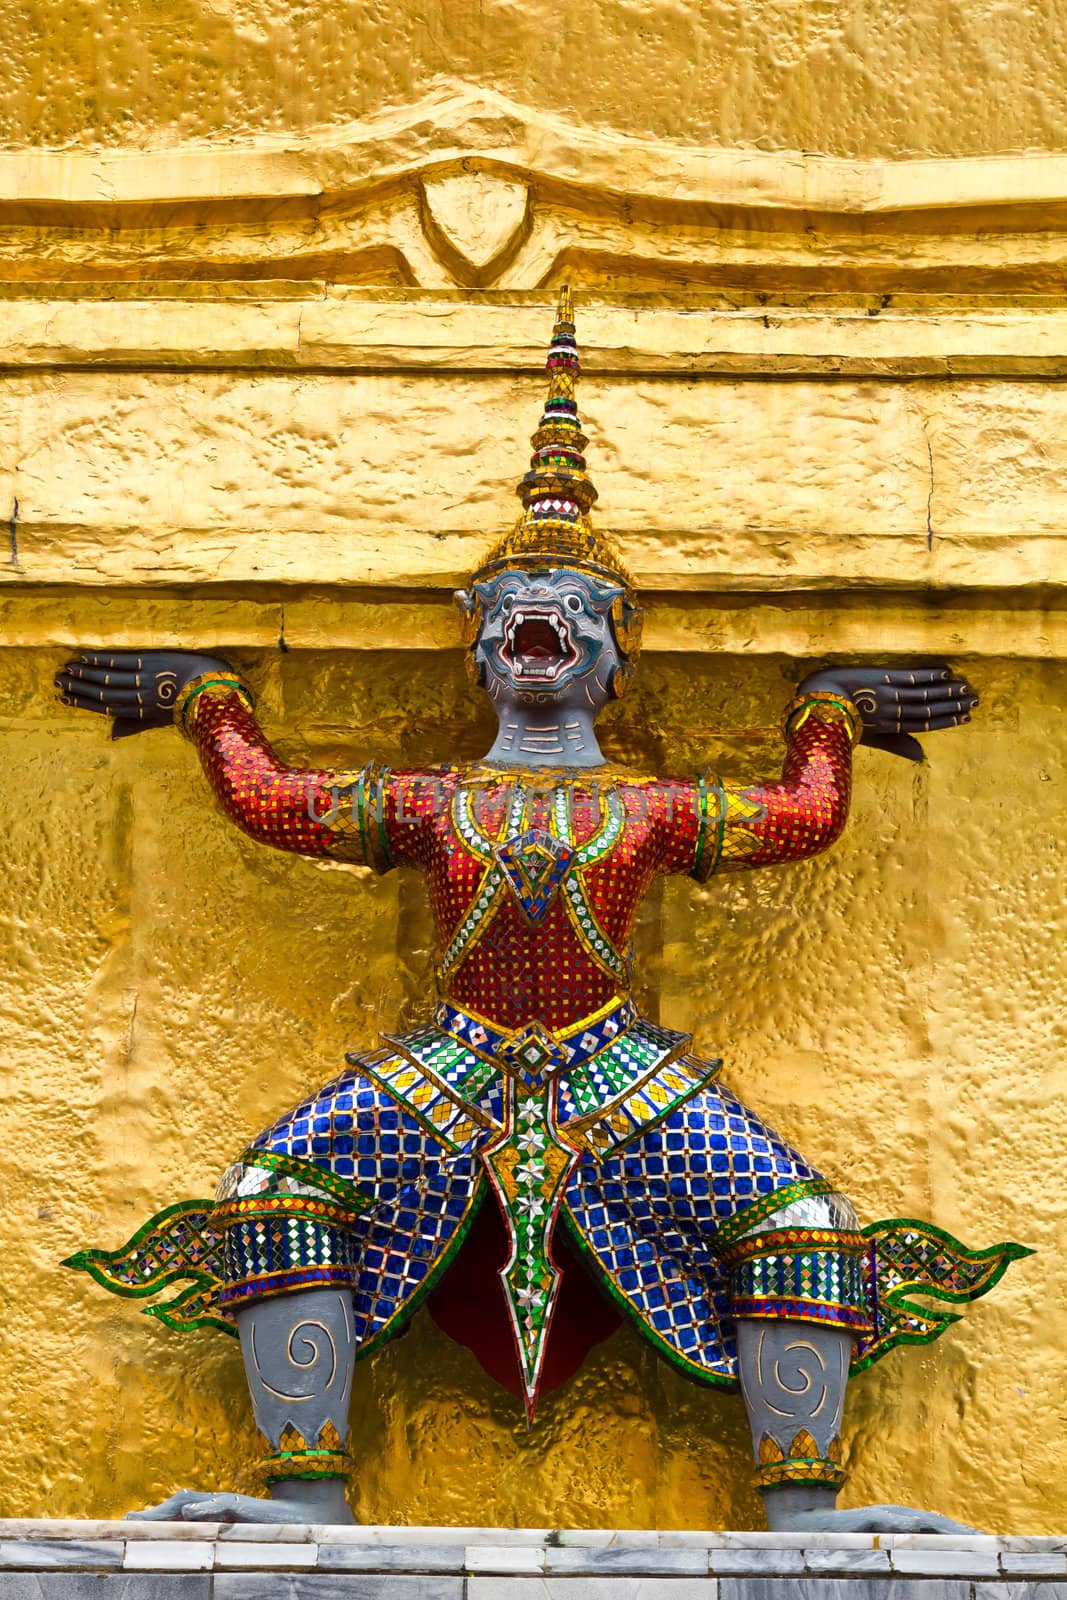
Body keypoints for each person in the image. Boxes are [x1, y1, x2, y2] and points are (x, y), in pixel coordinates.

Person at [58, 289, 1026, 1530]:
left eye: (571, 612)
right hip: (449, 1064)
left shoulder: (647, 808)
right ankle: (306, 1489)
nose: (541, 623)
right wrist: (208, 706)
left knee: (798, 1221)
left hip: (614, 1070)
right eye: (516, 609)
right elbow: (276, 801)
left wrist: (825, 717)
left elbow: (800, 816)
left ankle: (804, 1509)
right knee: (273, 1193)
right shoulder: (429, 800)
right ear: (478, 646)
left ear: (612, 650)